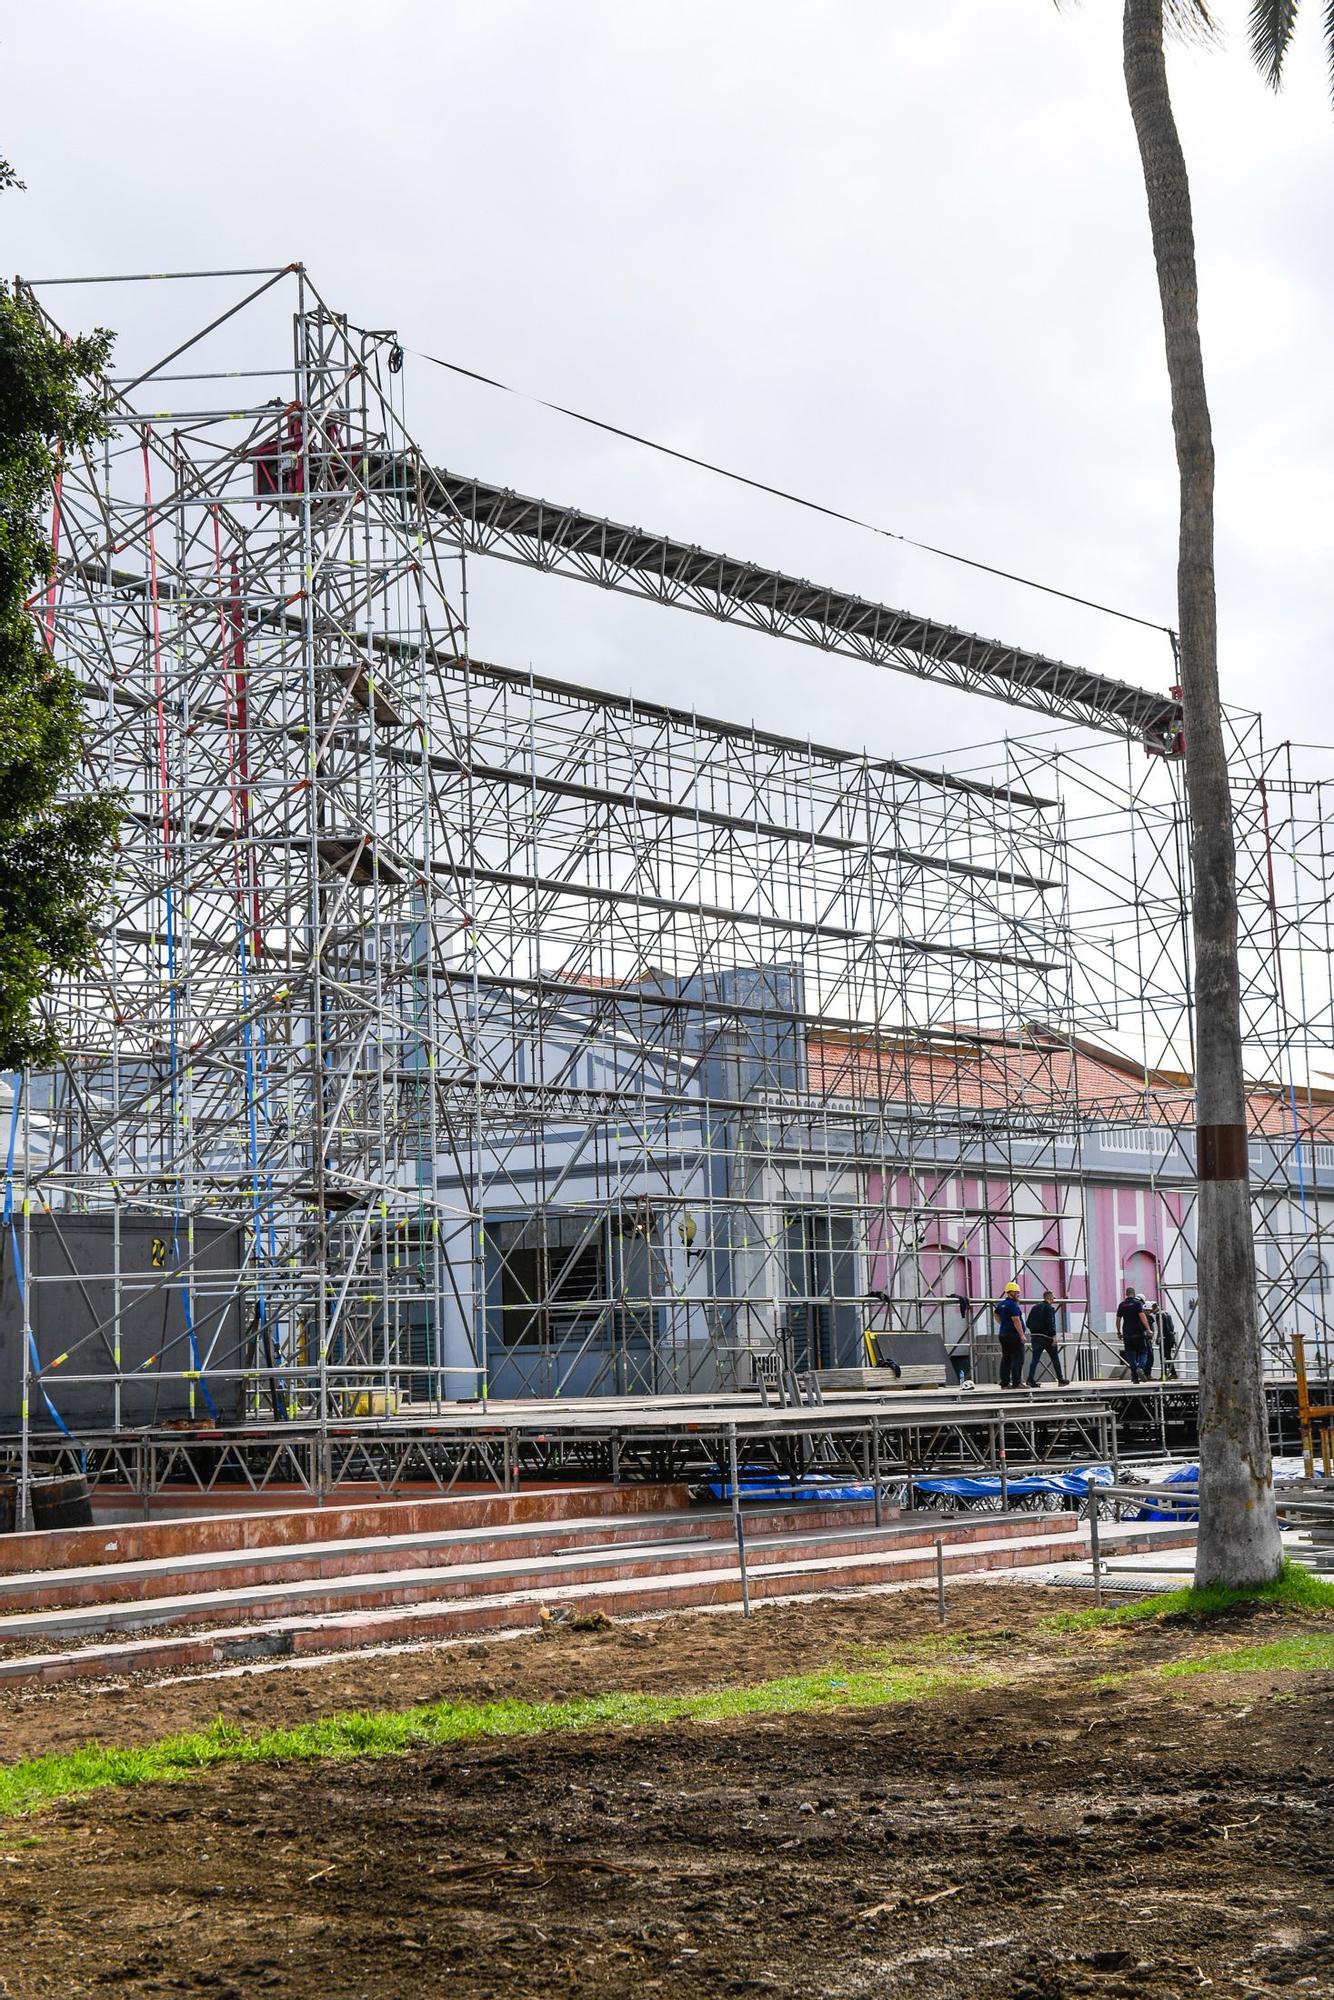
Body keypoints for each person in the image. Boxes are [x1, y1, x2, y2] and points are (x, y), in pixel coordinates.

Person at [1025, 1288, 1067, 1386]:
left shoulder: (1034, 1307)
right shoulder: (1049, 1308)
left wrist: (1035, 1330)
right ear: (1050, 1298)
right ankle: (1060, 1380)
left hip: (1035, 1337)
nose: (1054, 1299)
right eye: (1053, 1297)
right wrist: (1054, 1336)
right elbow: (1051, 1323)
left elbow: (1028, 1323)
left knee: (1035, 1359)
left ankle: (1030, 1379)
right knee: (1055, 1358)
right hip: (1047, 1338)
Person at [1115, 1285, 1152, 1384]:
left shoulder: (1122, 1305)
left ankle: (1135, 1377)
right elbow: (1142, 1316)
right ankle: (1140, 1367)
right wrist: (1148, 1329)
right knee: (1143, 1352)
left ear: (1126, 1294)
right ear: (1134, 1294)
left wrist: (1118, 1332)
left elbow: (1118, 1319)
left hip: (1127, 1334)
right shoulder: (1137, 1303)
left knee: (1130, 1354)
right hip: (1138, 1333)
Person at [995, 1280, 1026, 1389]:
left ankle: (1004, 1383)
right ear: (1009, 1293)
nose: (1018, 1294)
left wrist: (1003, 1323)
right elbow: (1016, 1320)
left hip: (1003, 1334)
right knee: (1018, 1359)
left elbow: (996, 1314)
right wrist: (1022, 1335)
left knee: (1006, 1359)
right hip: (1013, 1335)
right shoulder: (1013, 1305)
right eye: (1016, 1292)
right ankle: (1017, 1382)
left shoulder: (1002, 1304)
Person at [1154, 1300, 1178, 1380]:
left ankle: (1163, 1376)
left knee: (1163, 1357)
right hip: (1170, 1337)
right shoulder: (1167, 1313)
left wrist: (1158, 1337)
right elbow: (1172, 1326)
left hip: (1164, 1338)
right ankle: (1173, 1373)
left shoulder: (1158, 1315)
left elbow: (1160, 1327)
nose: (1151, 1312)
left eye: (1151, 1310)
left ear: (1155, 1308)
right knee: (1168, 1356)